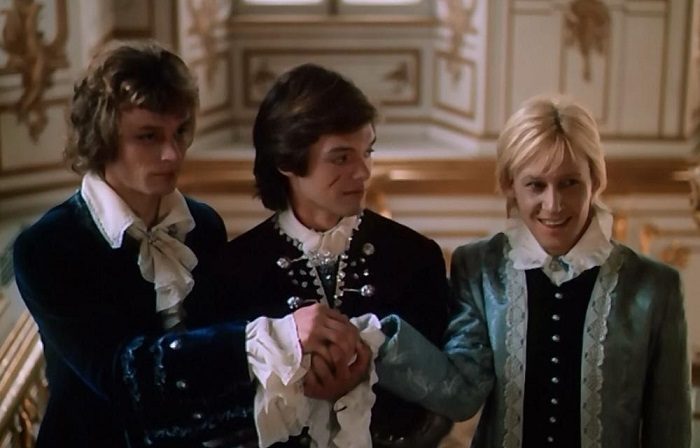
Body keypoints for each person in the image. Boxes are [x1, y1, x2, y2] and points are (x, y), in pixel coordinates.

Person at [12, 40, 312, 448]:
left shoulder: (202, 225)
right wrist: (263, 340)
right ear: (103, 138)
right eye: (148, 136)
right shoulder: (48, 246)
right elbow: (120, 376)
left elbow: (212, 366)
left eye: (180, 132)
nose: (172, 154)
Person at [374, 95, 692, 447]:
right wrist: (376, 341)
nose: (553, 205)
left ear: (595, 181)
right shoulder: (479, 268)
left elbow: (671, 430)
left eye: (570, 183)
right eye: (536, 185)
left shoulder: (654, 287)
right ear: (510, 185)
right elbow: (461, 394)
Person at [214, 63, 452, 447]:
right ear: (287, 161)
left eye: (367, 152)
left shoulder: (415, 258)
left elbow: (440, 403)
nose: (363, 172)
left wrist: (363, 383)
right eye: (341, 158)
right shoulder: (234, 269)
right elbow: (216, 412)